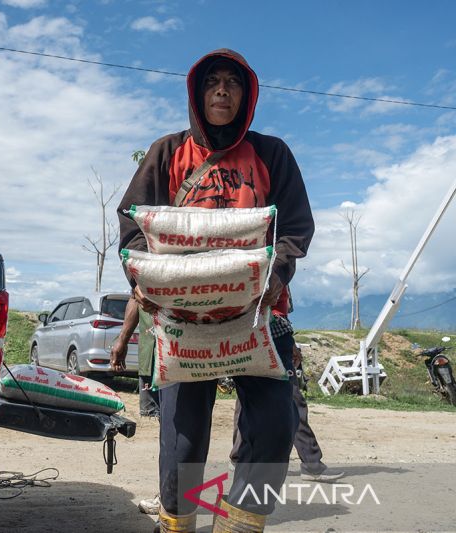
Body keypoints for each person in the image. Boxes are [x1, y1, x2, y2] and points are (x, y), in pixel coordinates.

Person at [117, 49, 315, 532]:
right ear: (197, 93)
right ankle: (178, 523)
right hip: (185, 323)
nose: (222, 90)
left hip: (259, 317)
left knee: (274, 427)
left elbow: (295, 227)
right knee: (182, 440)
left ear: (247, 94)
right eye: (213, 83)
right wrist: (143, 279)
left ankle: (240, 524)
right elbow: (132, 226)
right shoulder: (167, 153)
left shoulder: (272, 154)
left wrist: (276, 276)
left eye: (232, 82)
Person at [230, 294, 344, 483]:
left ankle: (238, 458)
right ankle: (311, 463)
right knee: (292, 400)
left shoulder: (277, 267)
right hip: (269, 332)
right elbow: (271, 307)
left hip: (258, 331)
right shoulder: (277, 265)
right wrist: (288, 341)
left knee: (247, 397)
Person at [110, 296, 160, 418]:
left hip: (190, 359)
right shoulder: (140, 279)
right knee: (162, 417)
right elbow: (135, 297)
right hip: (152, 358)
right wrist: (122, 340)